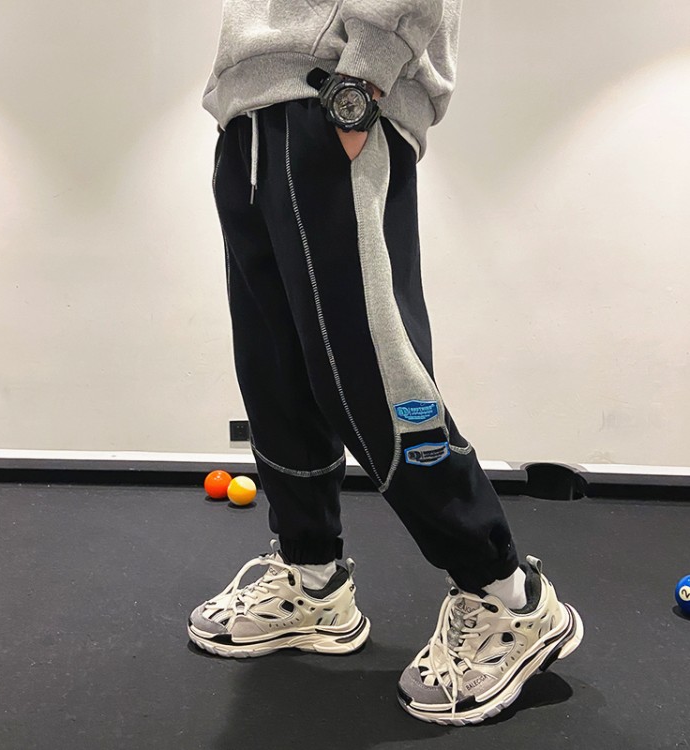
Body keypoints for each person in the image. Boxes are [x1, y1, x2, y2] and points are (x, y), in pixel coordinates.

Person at [188, 0, 583, 725]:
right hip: (248, 118)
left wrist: (361, 83)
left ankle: (507, 596)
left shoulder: (345, 93)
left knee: (369, 371)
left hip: (327, 96)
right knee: (277, 372)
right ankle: (312, 579)